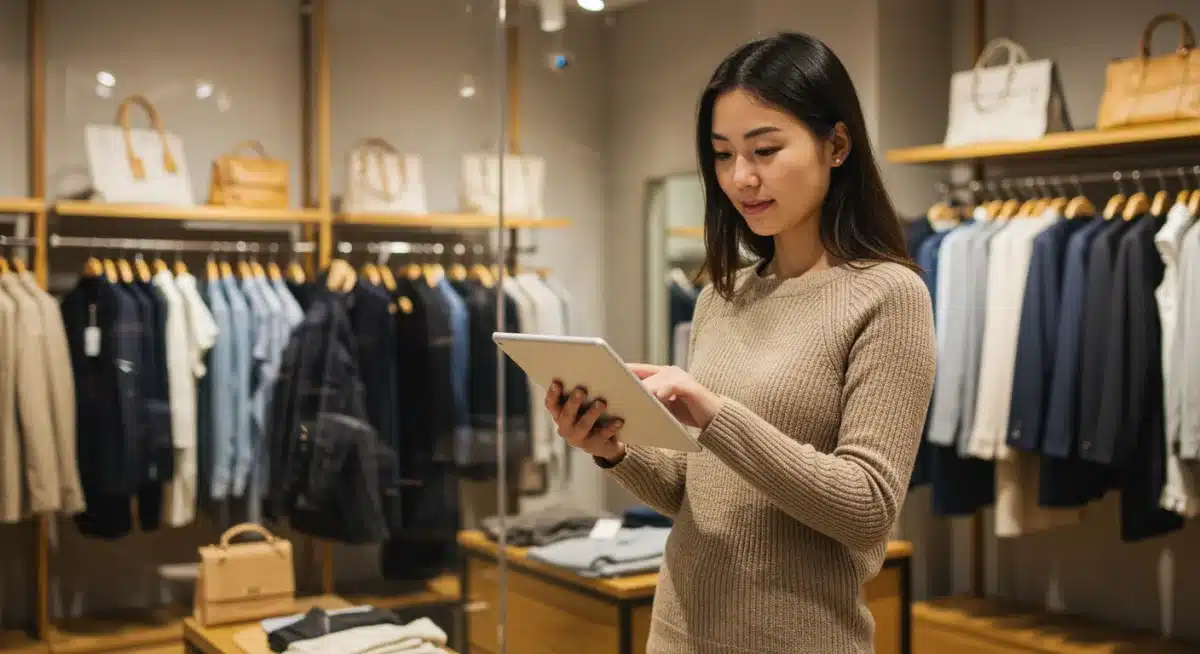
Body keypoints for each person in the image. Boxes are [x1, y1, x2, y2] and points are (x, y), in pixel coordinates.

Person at [545, 32, 936, 653]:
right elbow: (689, 493)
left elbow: (867, 507)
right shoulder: (720, 298)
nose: (741, 178)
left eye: (765, 150)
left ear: (836, 145)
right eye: (723, 155)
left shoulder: (889, 297)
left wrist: (712, 410)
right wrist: (614, 449)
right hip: (678, 632)